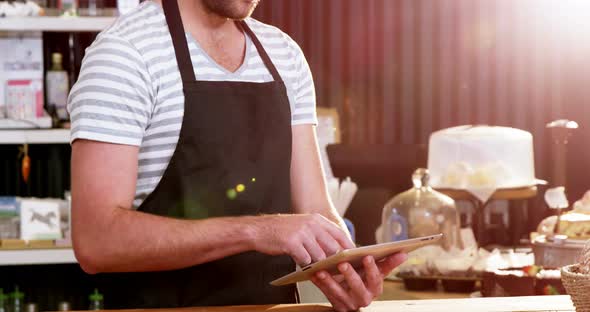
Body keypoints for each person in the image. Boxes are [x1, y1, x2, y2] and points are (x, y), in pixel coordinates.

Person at [68, 0, 407, 311]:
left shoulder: (283, 55)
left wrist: (345, 268)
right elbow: (97, 241)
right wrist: (256, 231)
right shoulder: (124, 54)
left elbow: (316, 208)